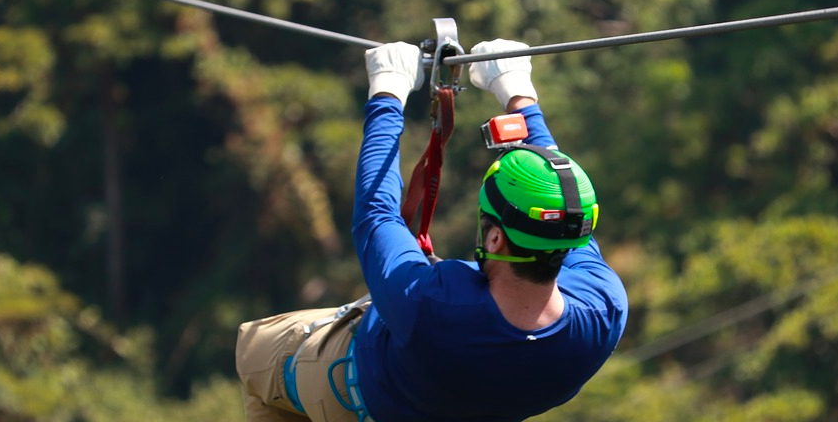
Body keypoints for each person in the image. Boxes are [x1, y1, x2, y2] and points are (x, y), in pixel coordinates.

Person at [236, 39, 629, 421]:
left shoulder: (431, 303)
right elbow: (563, 203)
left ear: (494, 238)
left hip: (351, 394)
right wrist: (518, 94)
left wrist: (386, 93)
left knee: (253, 349)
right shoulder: (603, 308)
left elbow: (376, 213)